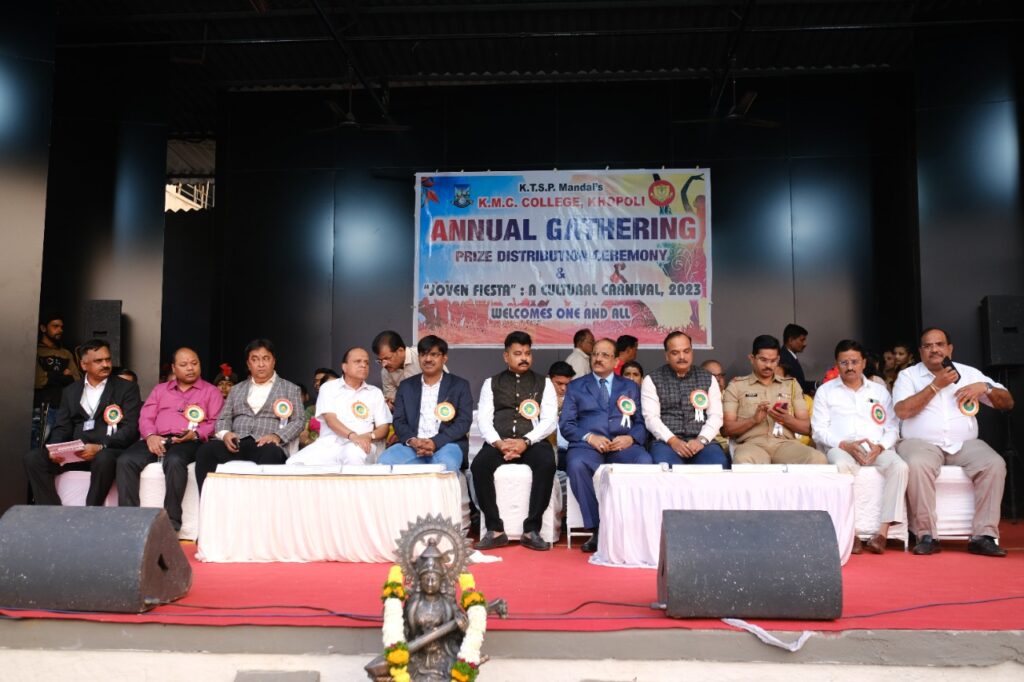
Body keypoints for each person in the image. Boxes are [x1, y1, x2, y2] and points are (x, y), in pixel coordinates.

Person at [894, 328, 1013, 557]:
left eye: (939, 344)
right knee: (917, 464)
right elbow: (902, 411)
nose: (934, 349)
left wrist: (986, 388)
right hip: (921, 443)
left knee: (994, 463)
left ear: (950, 348)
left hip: (964, 443)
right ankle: (926, 535)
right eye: (928, 346)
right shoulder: (908, 376)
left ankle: (983, 536)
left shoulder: (969, 373)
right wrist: (935, 385)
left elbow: (1007, 402)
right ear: (920, 351)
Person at [811, 340, 908, 554]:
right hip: (841, 446)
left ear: (864, 363)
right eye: (844, 362)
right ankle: (851, 533)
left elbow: (893, 427)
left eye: (854, 362)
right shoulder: (826, 391)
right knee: (841, 466)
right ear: (837, 364)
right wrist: (844, 444)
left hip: (874, 447)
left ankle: (882, 534)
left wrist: (880, 447)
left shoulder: (879, 391)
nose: (850, 367)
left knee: (900, 467)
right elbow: (818, 430)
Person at [24, 338, 142, 506]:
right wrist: (55, 449)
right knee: (34, 458)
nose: (105, 364)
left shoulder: (127, 388)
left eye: (108, 359)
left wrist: (101, 446)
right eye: (98, 361)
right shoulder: (71, 391)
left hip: (108, 451)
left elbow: (130, 429)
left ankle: (90, 510)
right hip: (76, 453)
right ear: (84, 364)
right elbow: (62, 427)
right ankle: (52, 511)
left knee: (104, 457)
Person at [116, 348, 223, 531]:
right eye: (184, 364)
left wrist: (196, 434)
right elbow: (146, 417)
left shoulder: (211, 392)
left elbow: (217, 422)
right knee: (126, 461)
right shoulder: (160, 390)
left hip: (190, 440)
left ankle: (171, 523)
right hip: (158, 438)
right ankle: (129, 521)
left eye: (194, 363)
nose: (190, 368)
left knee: (174, 460)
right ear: (174, 368)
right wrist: (150, 436)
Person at [471, 331, 558, 551]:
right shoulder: (491, 383)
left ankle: (532, 530)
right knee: (479, 466)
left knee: (547, 462)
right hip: (499, 443)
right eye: (518, 353)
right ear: (506, 356)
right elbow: (484, 419)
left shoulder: (544, 383)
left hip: (533, 442)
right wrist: (498, 443)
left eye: (527, 353)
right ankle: (495, 530)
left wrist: (526, 441)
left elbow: (550, 420)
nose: (524, 358)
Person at [561, 338, 650, 552]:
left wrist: (631, 438)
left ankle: (634, 526)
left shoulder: (630, 387)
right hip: (588, 447)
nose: (598, 359)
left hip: (622, 445)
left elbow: (642, 423)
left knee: (645, 461)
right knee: (576, 464)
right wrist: (589, 437)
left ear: (616, 361)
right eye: (595, 354)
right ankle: (597, 528)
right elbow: (566, 425)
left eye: (604, 355)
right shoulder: (576, 386)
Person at [194, 339, 305, 491]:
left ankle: (263, 504)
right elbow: (223, 418)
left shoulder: (290, 389)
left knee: (271, 453)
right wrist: (225, 434)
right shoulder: (236, 389)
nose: (261, 364)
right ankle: (208, 501)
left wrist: (277, 436)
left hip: (266, 445)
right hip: (236, 443)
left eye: (266, 358)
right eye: (255, 359)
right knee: (205, 451)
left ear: (273, 361)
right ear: (248, 364)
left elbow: (299, 421)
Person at [722, 335, 826, 465]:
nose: (768, 365)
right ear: (752, 358)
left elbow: (807, 429)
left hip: (785, 445)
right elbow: (727, 429)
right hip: (751, 445)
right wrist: (753, 420)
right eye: (763, 360)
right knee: (744, 460)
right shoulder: (736, 386)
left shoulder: (791, 385)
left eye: (773, 361)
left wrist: (786, 419)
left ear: (778, 359)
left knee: (817, 458)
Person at [380, 336, 472, 473]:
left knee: (447, 466)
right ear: (419, 358)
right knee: (384, 462)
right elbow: (399, 420)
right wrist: (413, 441)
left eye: (434, 354)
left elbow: (463, 422)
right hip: (412, 447)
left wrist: (435, 442)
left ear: (444, 358)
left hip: (447, 445)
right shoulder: (406, 386)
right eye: (423, 354)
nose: (428, 359)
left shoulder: (459, 385)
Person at [289, 347, 391, 466]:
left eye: (366, 362)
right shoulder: (328, 388)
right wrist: (352, 436)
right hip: (328, 446)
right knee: (293, 463)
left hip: (360, 445)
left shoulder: (375, 393)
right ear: (344, 367)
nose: (363, 365)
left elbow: (384, 427)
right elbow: (331, 420)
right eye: (357, 361)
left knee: (352, 454)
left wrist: (369, 436)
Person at [641, 332, 729, 468]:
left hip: (702, 442)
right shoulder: (652, 379)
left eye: (686, 351)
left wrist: (701, 440)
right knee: (666, 466)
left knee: (717, 463)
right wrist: (673, 441)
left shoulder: (708, 378)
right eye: (675, 353)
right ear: (667, 356)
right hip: (666, 443)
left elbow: (716, 416)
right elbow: (651, 418)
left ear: (691, 352)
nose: (682, 357)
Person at [33, 314, 80, 446]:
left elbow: (76, 380)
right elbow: (38, 380)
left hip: (62, 408)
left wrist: (50, 375)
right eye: (55, 326)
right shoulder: (36, 350)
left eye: (61, 327)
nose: (60, 330)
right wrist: (63, 376)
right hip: (41, 407)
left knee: (58, 448)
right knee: (37, 446)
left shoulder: (66, 353)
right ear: (43, 328)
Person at [372, 330, 422, 409]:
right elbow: (393, 400)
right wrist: (390, 405)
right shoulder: (385, 373)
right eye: (380, 360)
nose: (383, 365)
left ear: (400, 351)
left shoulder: (422, 356)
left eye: (387, 358)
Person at [547, 361, 576, 471]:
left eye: (567, 384)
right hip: (547, 449)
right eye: (559, 383)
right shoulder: (537, 399)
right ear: (549, 379)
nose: (563, 388)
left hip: (569, 450)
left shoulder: (576, 400)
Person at [700, 359, 730, 451]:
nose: (717, 379)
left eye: (720, 375)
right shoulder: (697, 398)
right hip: (707, 444)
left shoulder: (732, 396)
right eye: (712, 376)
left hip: (731, 444)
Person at [778, 323, 814, 395]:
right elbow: (797, 385)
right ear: (791, 340)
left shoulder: (788, 355)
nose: (805, 344)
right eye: (802, 340)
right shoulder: (784, 358)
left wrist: (816, 384)